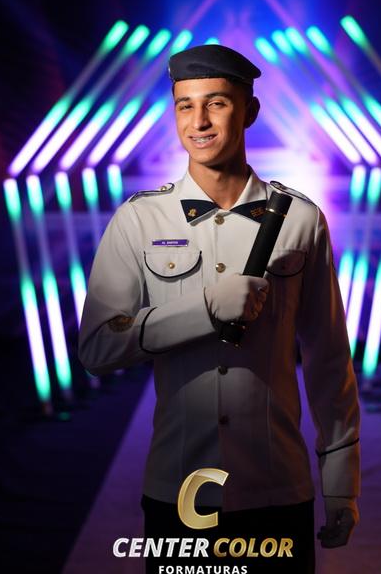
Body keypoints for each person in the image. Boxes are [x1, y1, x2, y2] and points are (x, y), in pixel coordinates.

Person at [78, 44, 360, 573]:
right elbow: (97, 348)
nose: (199, 121)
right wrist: (203, 310)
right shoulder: (139, 220)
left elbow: (328, 359)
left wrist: (341, 482)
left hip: (277, 490)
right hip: (179, 492)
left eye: (217, 103)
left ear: (249, 111)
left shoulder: (301, 220)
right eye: (185, 105)